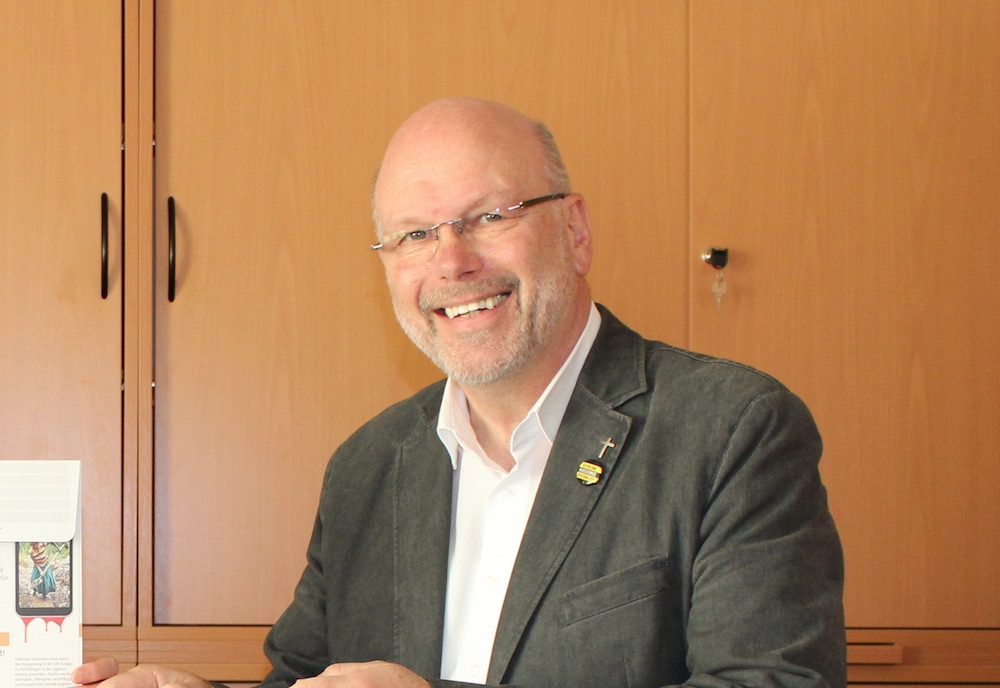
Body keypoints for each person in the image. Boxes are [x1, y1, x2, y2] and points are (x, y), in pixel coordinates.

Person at [72, 98, 845, 688]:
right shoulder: (367, 467)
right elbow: (303, 681)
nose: (451, 262)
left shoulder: (731, 431)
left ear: (575, 231)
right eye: (414, 234)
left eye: (489, 216)